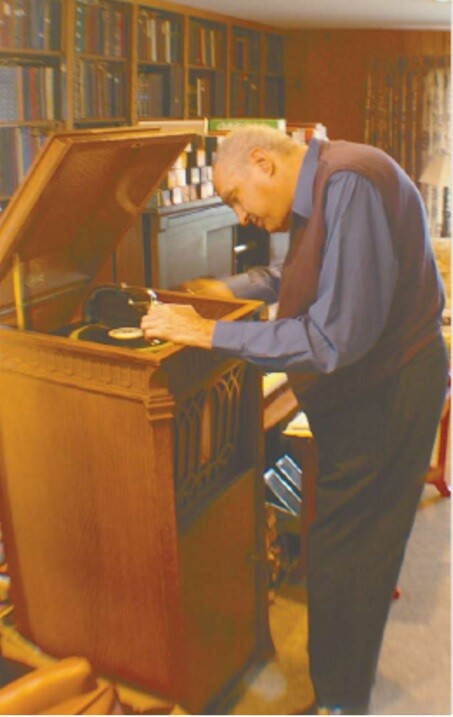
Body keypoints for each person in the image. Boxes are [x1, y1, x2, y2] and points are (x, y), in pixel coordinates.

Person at [141, 126, 448, 715]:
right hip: (374, 387)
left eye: (234, 197)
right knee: (340, 547)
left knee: (352, 555)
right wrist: (223, 290)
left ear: (263, 162)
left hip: (388, 392)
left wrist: (210, 333)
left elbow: (334, 335)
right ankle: (340, 692)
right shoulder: (326, 179)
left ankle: (339, 702)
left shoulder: (350, 183)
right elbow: (296, 275)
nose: (239, 214)